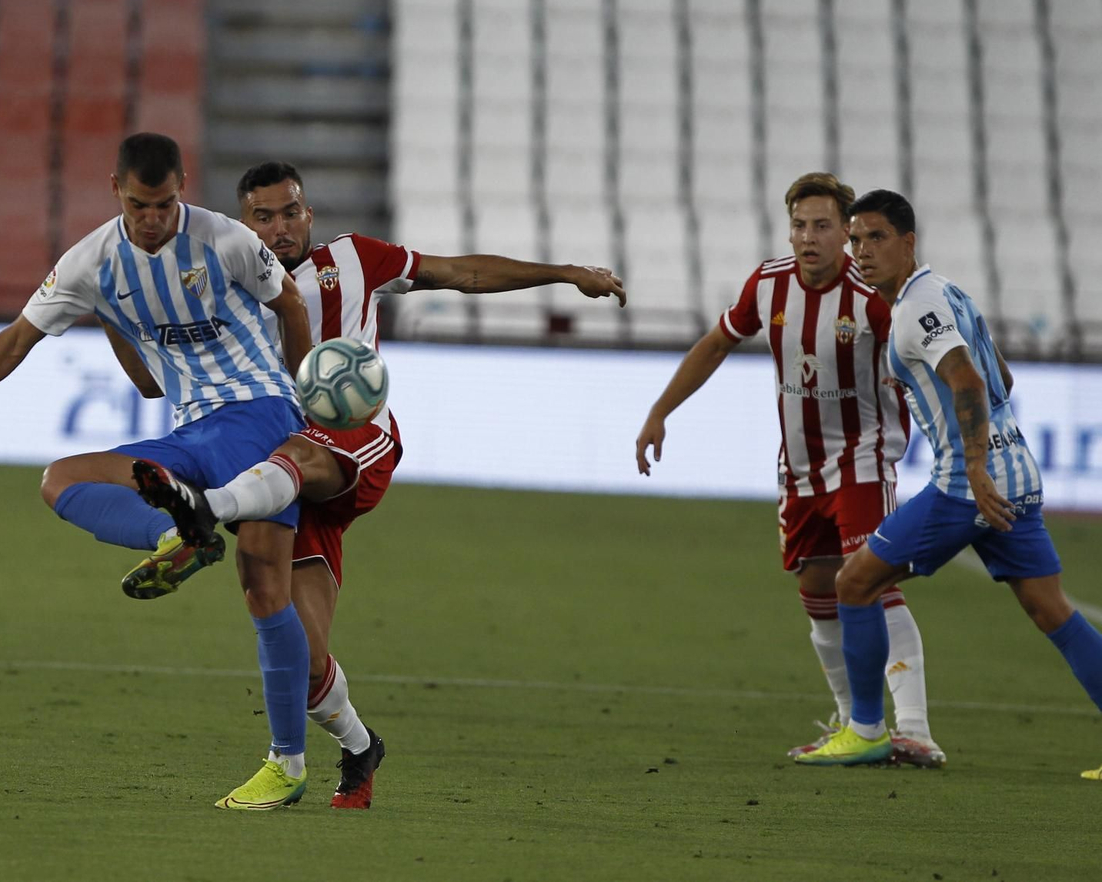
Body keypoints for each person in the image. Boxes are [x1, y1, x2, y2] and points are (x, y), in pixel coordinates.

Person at [126, 160, 626, 808]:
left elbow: (460, 272)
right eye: (264, 216)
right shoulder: (223, 284)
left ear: (309, 214)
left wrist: (565, 273)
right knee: (302, 657)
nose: (280, 228)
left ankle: (198, 516)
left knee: (290, 460)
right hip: (282, 474)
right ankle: (361, 747)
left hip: (356, 445)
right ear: (243, 222)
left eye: (291, 212)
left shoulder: (356, 259)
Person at [0, 133, 319, 811]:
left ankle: (287, 762)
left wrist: (306, 403)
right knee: (61, 479)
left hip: (260, 414)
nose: (153, 217)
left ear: (183, 184)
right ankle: (174, 531)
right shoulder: (91, 262)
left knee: (264, 585)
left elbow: (291, 303)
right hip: (193, 431)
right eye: (139, 204)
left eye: (164, 203)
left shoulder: (227, 241)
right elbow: (15, 340)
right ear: (113, 187)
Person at [634, 173, 942, 766]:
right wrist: (660, 410)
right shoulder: (770, 284)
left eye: (823, 226)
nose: (809, 237)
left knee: (873, 585)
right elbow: (718, 342)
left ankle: (916, 730)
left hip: (862, 460)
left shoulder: (873, 296)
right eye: (800, 225)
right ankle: (857, 725)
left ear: (846, 234)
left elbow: (924, 359)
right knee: (818, 593)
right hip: (798, 469)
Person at [796, 190, 1102, 770]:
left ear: (909, 243)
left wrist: (976, 467)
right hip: (1018, 474)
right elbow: (1001, 376)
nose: (863, 251)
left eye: (877, 238)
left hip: (969, 484)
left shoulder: (913, 309)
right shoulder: (949, 292)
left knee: (855, 582)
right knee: (1052, 610)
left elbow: (970, 383)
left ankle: (865, 730)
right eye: (856, 240)